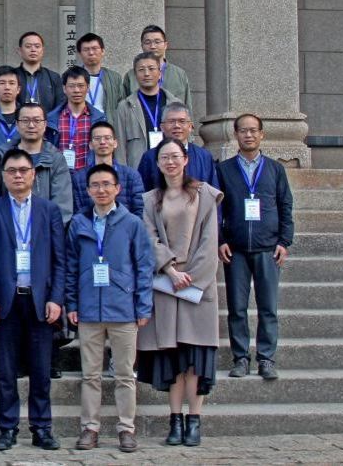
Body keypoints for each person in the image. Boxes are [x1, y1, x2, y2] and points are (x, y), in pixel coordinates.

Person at [0, 149, 66, 452]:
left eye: (23, 170)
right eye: (11, 171)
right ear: (3, 176)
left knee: (41, 371)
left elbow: (59, 260)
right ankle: (7, 428)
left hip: (40, 301)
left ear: (33, 175)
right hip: (7, 301)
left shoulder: (49, 210)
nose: (18, 175)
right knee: (6, 371)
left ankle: (41, 428)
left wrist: (56, 298)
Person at [139, 140, 223, 448]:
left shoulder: (205, 195)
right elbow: (149, 238)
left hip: (198, 285)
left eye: (175, 156)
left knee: (194, 358)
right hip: (166, 283)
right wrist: (170, 270)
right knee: (172, 359)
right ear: (158, 163)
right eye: (164, 157)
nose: (170, 162)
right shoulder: (150, 199)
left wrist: (191, 279)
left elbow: (209, 241)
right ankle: (175, 420)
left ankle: (195, 421)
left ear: (186, 159)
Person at [66, 164, 155, 453]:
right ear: (88, 190)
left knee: (125, 375)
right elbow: (71, 268)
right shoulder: (79, 223)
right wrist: (72, 303)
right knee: (90, 374)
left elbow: (144, 266)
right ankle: (90, 428)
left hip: (123, 308)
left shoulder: (132, 223)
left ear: (117, 188)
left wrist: (143, 305)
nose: (101, 190)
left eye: (107, 184)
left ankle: (126, 428)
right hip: (89, 308)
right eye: (95, 185)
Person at [217, 113, 294, 380]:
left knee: (268, 307)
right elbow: (217, 209)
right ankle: (240, 358)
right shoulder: (224, 170)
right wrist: (220, 240)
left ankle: (266, 358)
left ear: (262, 134)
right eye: (243, 130)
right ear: (235, 134)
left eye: (253, 130)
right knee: (237, 308)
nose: (248, 135)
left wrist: (284, 241)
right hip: (235, 249)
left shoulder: (275, 169)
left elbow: (285, 206)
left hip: (268, 248)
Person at [0, 102, 75, 225]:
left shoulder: (56, 159)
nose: (31, 125)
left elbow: (62, 207)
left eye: (37, 120)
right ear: (17, 125)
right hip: (8, 229)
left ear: (45, 125)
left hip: (45, 231)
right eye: (25, 121)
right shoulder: (2, 156)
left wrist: (46, 232)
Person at [113, 52, 181, 168]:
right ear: (135, 75)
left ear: (160, 73)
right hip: (138, 168)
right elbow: (119, 147)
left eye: (151, 69)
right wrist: (123, 173)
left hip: (170, 166)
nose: (146, 74)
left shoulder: (175, 104)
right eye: (141, 70)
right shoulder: (125, 107)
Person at [137, 103, 219, 191]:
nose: (177, 126)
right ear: (162, 127)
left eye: (182, 121)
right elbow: (142, 193)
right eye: (171, 121)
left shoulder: (204, 156)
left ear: (190, 126)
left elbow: (213, 191)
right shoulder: (150, 157)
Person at [73, 122, 145, 218]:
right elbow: (78, 214)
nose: (102, 142)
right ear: (90, 145)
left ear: (115, 143)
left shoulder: (131, 175)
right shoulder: (79, 178)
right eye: (97, 138)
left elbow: (140, 211)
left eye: (107, 138)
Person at [46, 66, 107, 173]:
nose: (76, 90)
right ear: (64, 89)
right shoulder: (51, 119)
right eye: (71, 86)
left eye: (81, 86)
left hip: (88, 175)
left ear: (88, 88)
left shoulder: (99, 118)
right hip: (59, 175)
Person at [119, 25, 191, 108]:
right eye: (147, 42)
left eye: (157, 42)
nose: (152, 46)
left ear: (165, 45)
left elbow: (187, 107)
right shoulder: (131, 75)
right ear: (142, 46)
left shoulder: (179, 74)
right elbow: (125, 107)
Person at [75, 33, 125, 122]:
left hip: (107, 126)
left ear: (102, 51)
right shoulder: (72, 78)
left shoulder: (114, 78)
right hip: (81, 125)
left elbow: (122, 106)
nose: (91, 53)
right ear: (80, 53)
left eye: (95, 48)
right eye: (86, 49)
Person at [14, 32, 64, 113]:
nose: (33, 50)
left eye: (37, 46)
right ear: (19, 51)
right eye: (28, 46)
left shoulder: (54, 77)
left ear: (42, 50)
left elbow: (60, 106)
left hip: (47, 120)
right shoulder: (12, 76)